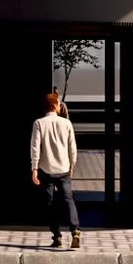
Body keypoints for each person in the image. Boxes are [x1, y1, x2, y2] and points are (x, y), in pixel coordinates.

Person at [29, 90, 80, 251]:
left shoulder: (39, 123)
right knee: (68, 199)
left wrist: (34, 168)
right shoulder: (66, 123)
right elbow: (73, 147)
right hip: (64, 168)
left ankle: (57, 236)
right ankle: (75, 231)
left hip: (47, 169)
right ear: (55, 106)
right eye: (59, 104)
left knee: (50, 202)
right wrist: (72, 165)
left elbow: (35, 147)